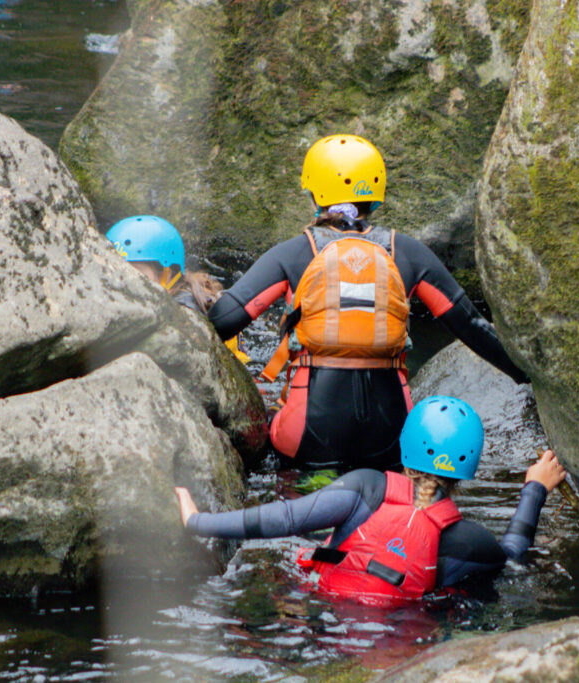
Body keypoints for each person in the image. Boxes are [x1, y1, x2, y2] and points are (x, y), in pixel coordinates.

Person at [207, 135, 529, 468]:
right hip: (389, 434)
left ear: (315, 194)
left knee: (282, 440)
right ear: (374, 198)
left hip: (309, 434)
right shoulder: (408, 253)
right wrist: (528, 376)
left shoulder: (295, 253)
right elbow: (472, 326)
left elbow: (226, 318)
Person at [174, 396, 566, 606]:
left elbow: (284, 518)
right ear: (469, 467)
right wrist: (535, 488)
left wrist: (197, 522)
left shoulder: (365, 488)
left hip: (323, 612)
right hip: (398, 640)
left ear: (407, 445)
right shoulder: (469, 539)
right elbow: (513, 554)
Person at [106, 215, 250, 363]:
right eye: (116, 270)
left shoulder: (186, 315)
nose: (123, 281)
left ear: (167, 273)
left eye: (136, 274)